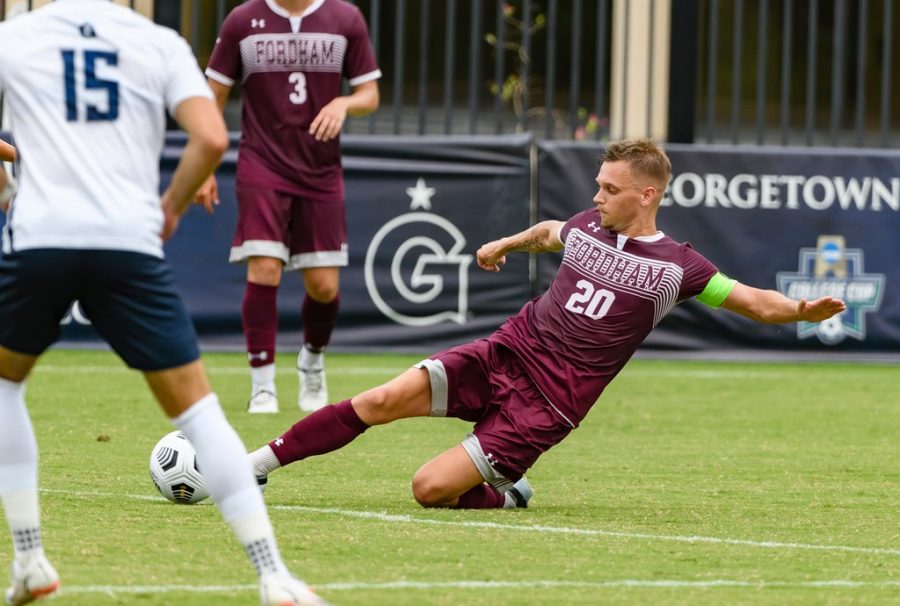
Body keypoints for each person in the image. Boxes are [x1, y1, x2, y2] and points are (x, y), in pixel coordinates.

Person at [248, 138, 847, 510]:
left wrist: (800, 310)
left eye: (611, 189)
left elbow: (753, 301)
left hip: (550, 404)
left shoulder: (681, 267)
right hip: (507, 352)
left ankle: (504, 494)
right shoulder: (589, 223)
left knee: (428, 490)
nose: (598, 195)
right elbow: (547, 232)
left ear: (646, 194)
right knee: (383, 397)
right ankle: (256, 467)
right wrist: (502, 243)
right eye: (597, 185)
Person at [0, 4, 327, 605]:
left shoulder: (13, 36)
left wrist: (9, 182)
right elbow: (209, 136)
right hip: (128, 241)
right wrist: (170, 207)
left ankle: (29, 559)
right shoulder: (158, 41)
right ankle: (272, 574)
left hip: (40, 238)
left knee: (4, 387)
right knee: (200, 412)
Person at [195, 0, 381, 414]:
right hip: (261, 163)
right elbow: (212, 98)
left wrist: (344, 104)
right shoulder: (242, 20)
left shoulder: (345, 18)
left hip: (320, 170)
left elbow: (370, 94)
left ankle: (311, 360)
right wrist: (203, 165)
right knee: (263, 266)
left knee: (324, 286)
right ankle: (262, 385)